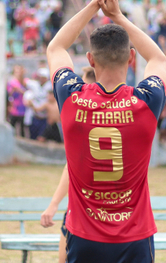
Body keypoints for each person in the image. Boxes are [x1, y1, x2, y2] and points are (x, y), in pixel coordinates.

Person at [46, 0, 166, 262]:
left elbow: (56, 47)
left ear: (90, 60)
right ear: (130, 58)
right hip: (135, 236)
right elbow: (158, 58)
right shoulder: (146, 101)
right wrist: (119, 16)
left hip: (84, 237)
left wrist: (95, 4)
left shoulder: (72, 98)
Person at [40, 69, 97, 263]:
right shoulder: (125, 112)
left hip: (84, 210)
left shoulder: (83, 117)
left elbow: (70, 167)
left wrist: (54, 204)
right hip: (108, 211)